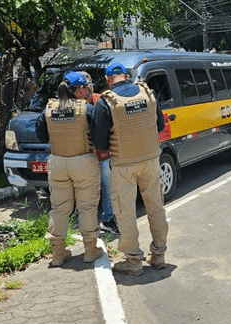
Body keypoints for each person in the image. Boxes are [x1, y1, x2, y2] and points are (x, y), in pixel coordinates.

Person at [91, 62, 168, 276]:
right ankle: (159, 255)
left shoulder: (106, 102)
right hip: (151, 161)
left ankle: (134, 261)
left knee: (125, 212)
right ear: (126, 76)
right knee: (155, 207)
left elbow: (99, 141)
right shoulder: (147, 94)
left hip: (123, 165)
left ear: (108, 79)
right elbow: (160, 126)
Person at [34, 71, 102, 267]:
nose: (88, 91)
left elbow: (40, 135)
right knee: (87, 207)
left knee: (59, 208)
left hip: (57, 163)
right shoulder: (86, 109)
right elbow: (99, 136)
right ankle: (90, 250)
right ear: (79, 90)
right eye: (86, 88)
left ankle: (57, 253)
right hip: (83, 162)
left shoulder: (48, 109)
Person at [77, 71, 118, 235]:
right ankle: (87, 225)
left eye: (86, 86)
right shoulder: (72, 105)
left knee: (108, 189)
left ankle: (108, 219)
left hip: (102, 155)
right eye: (80, 87)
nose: (84, 90)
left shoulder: (100, 100)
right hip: (83, 156)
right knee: (87, 192)